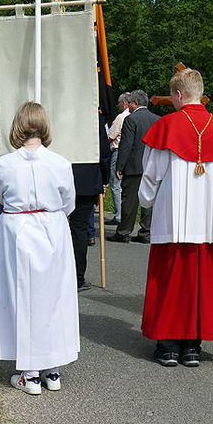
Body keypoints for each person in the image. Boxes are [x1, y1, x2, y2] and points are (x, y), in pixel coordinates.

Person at [138, 68, 213, 368]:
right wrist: (207, 206)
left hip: (173, 220)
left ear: (179, 95)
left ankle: (168, 347)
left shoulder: (166, 126)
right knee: (200, 283)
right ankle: (192, 347)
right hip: (207, 222)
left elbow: (150, 178)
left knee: (169, 280)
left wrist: (148, 203)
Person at [0, 101, 79, 395]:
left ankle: (31, 371)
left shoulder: (4, 165)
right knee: (53, 296)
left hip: (18, 230)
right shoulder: (61, 164)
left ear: (17, 127)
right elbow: (69, 202)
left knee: (21, 297)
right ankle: (51, 368)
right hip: (52, 228)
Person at [69, 114, 111, 291]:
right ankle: (77, 277)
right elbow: (103, 151)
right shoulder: (94, 116)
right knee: (79, 229)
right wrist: (104, 177)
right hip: (86, 178)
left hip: (59, 174)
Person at [113, 90, 159, 243]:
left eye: (130, 102)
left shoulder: (131, 120)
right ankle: (146, 232)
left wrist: (120, 166)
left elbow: (126, 145)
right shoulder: (156, 119)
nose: (129, 106)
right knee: (149, 201)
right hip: (152, 166)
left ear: (135, 103)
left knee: (130, 201)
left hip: (134, 166)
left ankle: (124, 231)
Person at [106, 93, 131, 222]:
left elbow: (111, 136)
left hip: (117, 151)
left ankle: (118, 215)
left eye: (120, 103)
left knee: (116, 184)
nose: (119, 105)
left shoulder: (121, 117)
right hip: (129, 153)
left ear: (124, 103)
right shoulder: (132, 115)